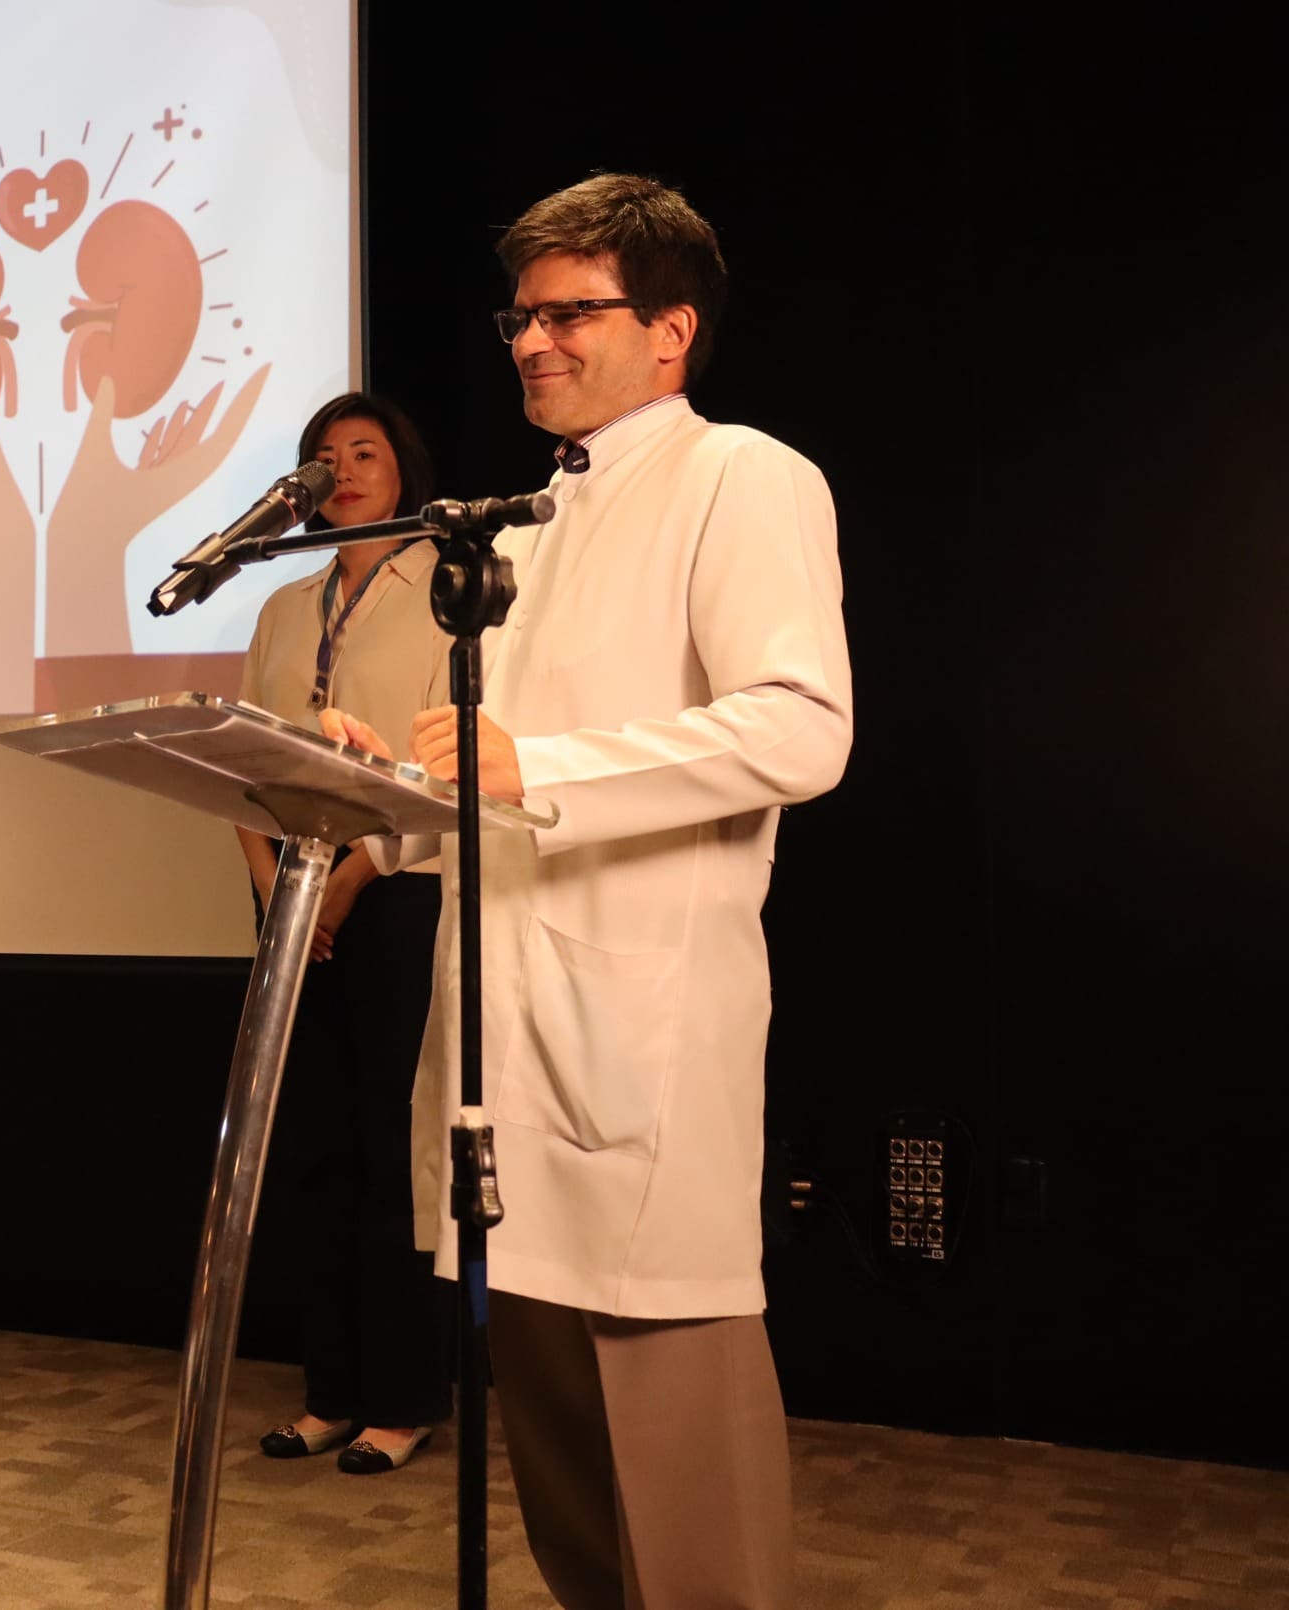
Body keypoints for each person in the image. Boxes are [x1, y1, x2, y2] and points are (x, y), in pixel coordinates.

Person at [323, 175, 852, 1604]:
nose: (532, 341)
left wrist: (532, 765)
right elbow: (488, 779)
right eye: (519, 317)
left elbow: (802, 726)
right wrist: (383, 795)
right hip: (501, 1049)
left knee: (686, 1509)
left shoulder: (741, 474)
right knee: (566, 1492)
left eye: (571, 313)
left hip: (635, 1036)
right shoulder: (519, 524)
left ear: (671, 329)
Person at [236, 392, 458, 1475]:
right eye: (324, 457)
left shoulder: (449, 591)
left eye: (365, 451)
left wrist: (352, 877)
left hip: (400, 894)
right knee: (314, 1153)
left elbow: (444, 766)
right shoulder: (285, 606)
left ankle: (404, 1399)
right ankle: (330, 1391)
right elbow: (247, 759)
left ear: (404, 466)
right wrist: (276, 886)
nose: (344, 470)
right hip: (291, 900)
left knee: (389, 1153)